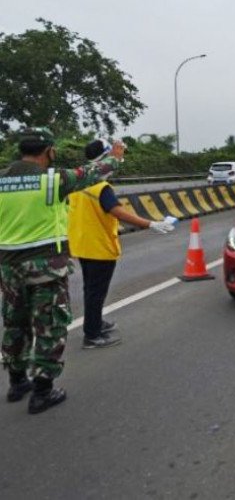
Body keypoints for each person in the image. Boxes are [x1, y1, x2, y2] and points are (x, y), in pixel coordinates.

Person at [0, 128, 124, 414]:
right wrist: (115, 158)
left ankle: (17, 381)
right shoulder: (53, 180)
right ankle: (43, 391)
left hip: (9, 268)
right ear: (49, 152)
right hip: (45, 267)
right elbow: (91, 172)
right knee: (49, 326)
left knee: (15, 323)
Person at [67, 139, 176, 349]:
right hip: (99, 247)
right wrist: (150, 223)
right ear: (105, 158)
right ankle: (92, 335)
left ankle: (96, 322)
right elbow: (118, 211)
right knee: (96, 292)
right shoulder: (101, 187)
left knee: (91, 288)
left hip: (82, 244)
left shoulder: (77, 183)